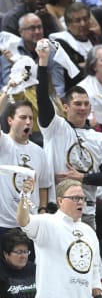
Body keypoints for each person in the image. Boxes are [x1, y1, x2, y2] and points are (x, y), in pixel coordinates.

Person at [35, 41, 102, 229]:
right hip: (57, 208)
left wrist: (82, 177)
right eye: (77, 104)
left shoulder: (101, 139)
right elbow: (42, 98)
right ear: (65, 107)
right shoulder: (55, 128)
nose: (82, 108)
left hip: (86, 213)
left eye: (86, 104)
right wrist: (43, 63)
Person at [17, 178, 102, 298]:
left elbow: (95, 270)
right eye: (75, 198)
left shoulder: (89, 232)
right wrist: (25, 195)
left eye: (82, 198)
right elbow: (23, 221)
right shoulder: (47, 222)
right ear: (60, 201)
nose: (80, 202)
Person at [0, 97, 51, 237]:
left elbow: (43, 185)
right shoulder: (3, 143)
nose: (28, 122)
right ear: (10, 120)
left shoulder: (39, 152)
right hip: (4, 224)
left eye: (31, 118)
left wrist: (42, 209)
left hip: (30, 224)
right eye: (23, 117)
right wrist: (6, 93)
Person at [1, 12, 65, 98]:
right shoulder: (10, 52)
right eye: (32, 28)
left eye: (39, 27)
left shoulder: (51, 51)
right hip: (18, 100)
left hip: (47, 100)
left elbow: (58, 86)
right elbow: (8, 84)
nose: (37, 31)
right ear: (21, 32)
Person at [49, 2, 102, 90]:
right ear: (68, 24)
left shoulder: (98, 39)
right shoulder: (61, 43)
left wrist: (85, 65)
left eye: (85, 19)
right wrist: (100, 65)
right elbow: (75, 76)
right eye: (77, 21)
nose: (83, 24)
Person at [0, 229, 36, 298]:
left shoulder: (33, 268)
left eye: (26, 252)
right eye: (19, 252)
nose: (23, 256)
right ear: (6, 254)